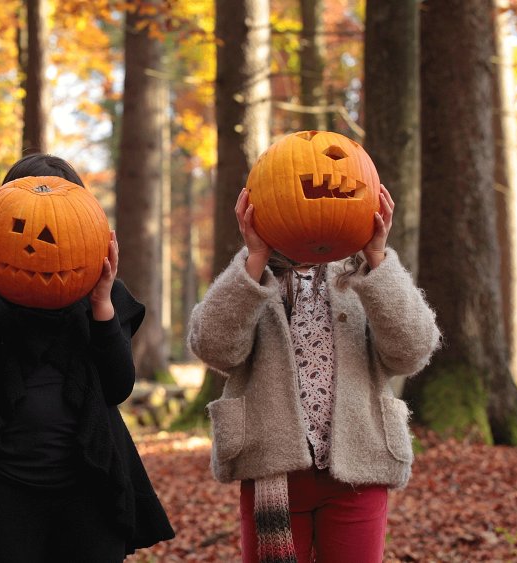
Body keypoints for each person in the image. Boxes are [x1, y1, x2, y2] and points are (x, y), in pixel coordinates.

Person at [0, 153, 175, 562]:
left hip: (90, 488)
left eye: (62, 223)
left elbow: (117, 386)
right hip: (1, 491)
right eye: (20, 223)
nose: (43, 244)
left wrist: (102, 305)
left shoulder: (107, 301)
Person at [188, 185, 441, 563]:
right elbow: (214, 347)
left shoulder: (364, 272)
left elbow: (412, 350)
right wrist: (255, 257)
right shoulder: (257, 274)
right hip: (272, 469)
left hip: (359, 469)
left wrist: (377, 258)